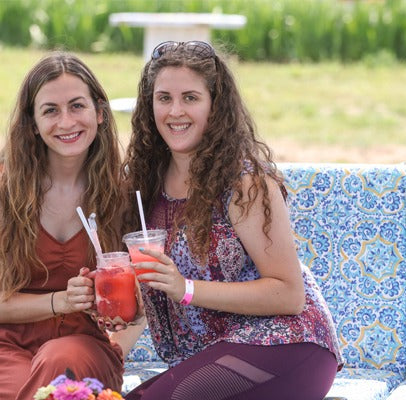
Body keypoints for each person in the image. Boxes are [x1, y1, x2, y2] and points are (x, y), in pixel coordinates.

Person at [121, 41, 343, 400]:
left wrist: (186, 289)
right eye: (164, 98)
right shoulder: (143, 184)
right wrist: (113, 339)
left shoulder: (243, 183)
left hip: (285, 344)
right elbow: (147, 290)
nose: (175, 111)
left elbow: (289, 294)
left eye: (190, 98)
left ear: (215, 105)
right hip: (214, 355)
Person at [0, 52, 128, 399]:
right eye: (50, 110)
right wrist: (63, 301)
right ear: (33, 123)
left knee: (60, 362)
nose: (66, 122)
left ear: (99, 112)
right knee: (54, 386)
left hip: (81, 347)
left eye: (77, 106)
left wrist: (120, 336)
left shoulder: (119, 192)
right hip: (2, 349)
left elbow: (133, 300)